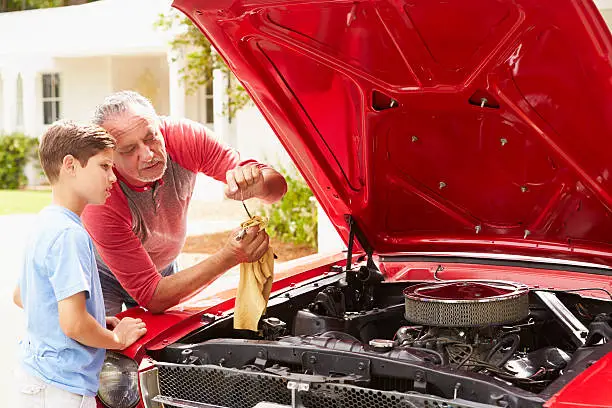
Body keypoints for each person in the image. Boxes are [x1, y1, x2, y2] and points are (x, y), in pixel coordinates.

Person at [82, 90, 287, 315]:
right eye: (129, 150)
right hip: (101, 274)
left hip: (162, 269)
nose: (148, 154)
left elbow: (277, 188)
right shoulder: (99, 196)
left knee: (168, 341)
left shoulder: (184, 138)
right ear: (109, 156)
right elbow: (152, 296)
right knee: (102, 346)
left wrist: (258, 184)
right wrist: (229, 257)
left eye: (151, 137)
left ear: (160, 125)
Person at [12, 120, 148, 407]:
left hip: (37, 378)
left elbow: (23, 295)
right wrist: (117, 339)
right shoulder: (69, 234)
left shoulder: (46, 222)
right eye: (104, 166)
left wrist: (95, 319)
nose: (114, 177)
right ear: (70, 165)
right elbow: (73, 323)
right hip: (62, 389)